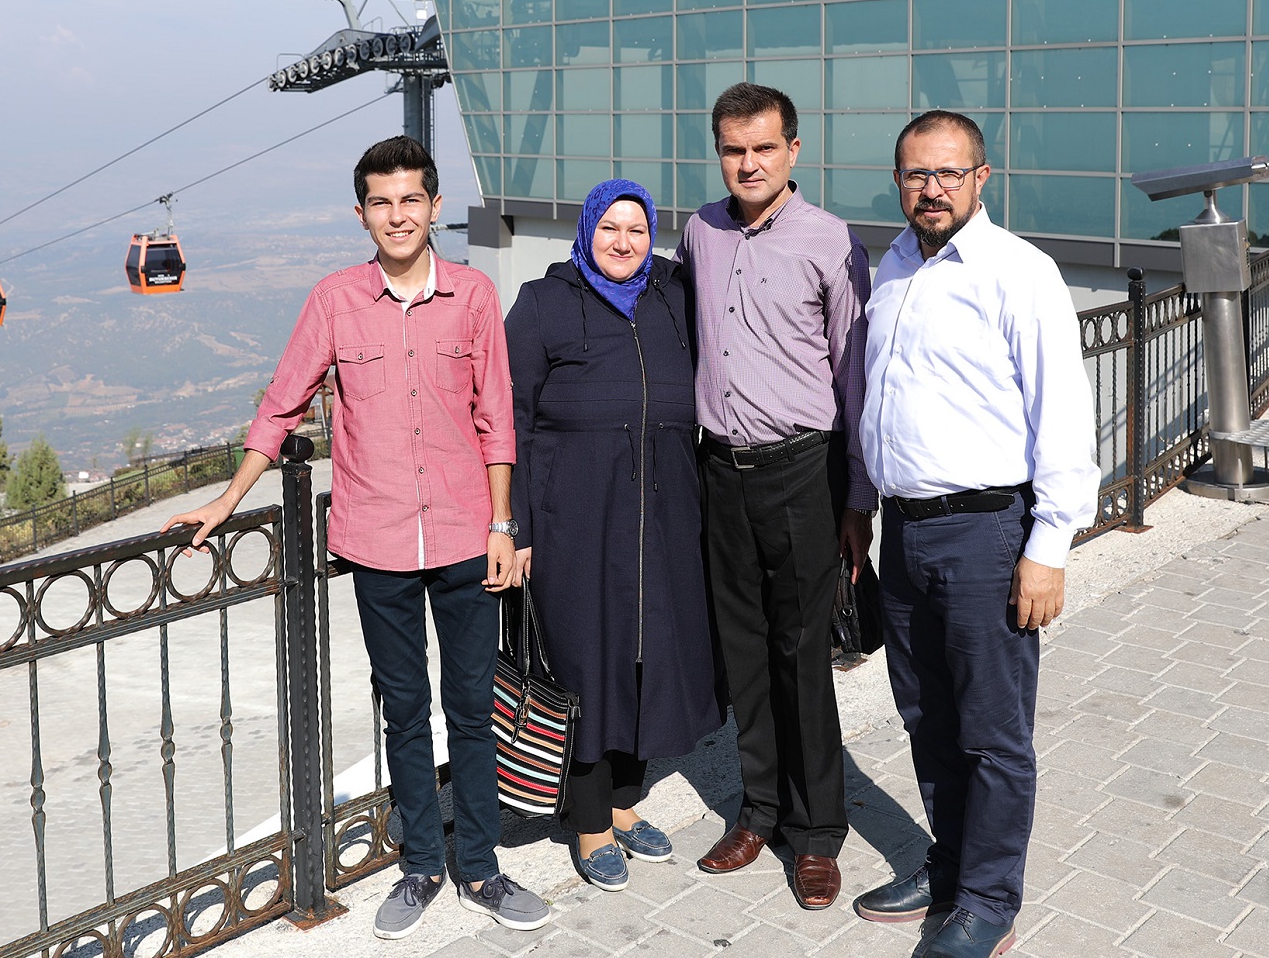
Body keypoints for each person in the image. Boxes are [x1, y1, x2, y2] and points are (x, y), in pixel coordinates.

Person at [162, 135, 551, 942]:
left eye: (411, 199)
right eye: (382, 201)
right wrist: (227, 501)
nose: (398, 214)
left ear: (435, 206)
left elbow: (498, 418)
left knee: (471, 706)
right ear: (361, 214)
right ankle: (420, 864)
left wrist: (502, 525)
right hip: (374, 541)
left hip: (461, 535)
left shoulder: (475, 295)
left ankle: (479, 864)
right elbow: (280, 403)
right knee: (405, 710)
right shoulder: (334, 300)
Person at [845, 111, 1095, 958]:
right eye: (917, 175)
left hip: (988, 536)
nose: (932, 189)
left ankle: (989, 900)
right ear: (899, 181)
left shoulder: (1019, 272)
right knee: (925, 716)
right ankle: (949, 865)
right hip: (905, 535)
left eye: (949, 173)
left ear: (983, 178)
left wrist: (1048, 546)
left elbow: (1063, 415)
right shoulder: (893, 266)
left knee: (992, 730)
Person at [678, 82, 874, 911]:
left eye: (763, 147)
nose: (748, 162)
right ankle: (757, 810)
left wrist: (857, 498)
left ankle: (818, 831)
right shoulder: (699, 230)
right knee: (743, 649)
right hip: (720, 468)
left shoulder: (831, 242)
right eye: (733, 148)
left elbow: (853, 376)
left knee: (802, 656)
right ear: (719, 152)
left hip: (804, 468)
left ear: (795, 149)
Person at [504, 179, 720, 893]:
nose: (624, 242)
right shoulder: (544, 304)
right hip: (574, 516)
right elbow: (510, 418)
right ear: (587, 231)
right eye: (610, 228)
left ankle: (626, 803)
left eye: (636, 229)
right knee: (588, 664)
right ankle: (590, 821)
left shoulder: (672, 294)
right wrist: (517, 526)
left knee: (648, 657)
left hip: (665, 510)